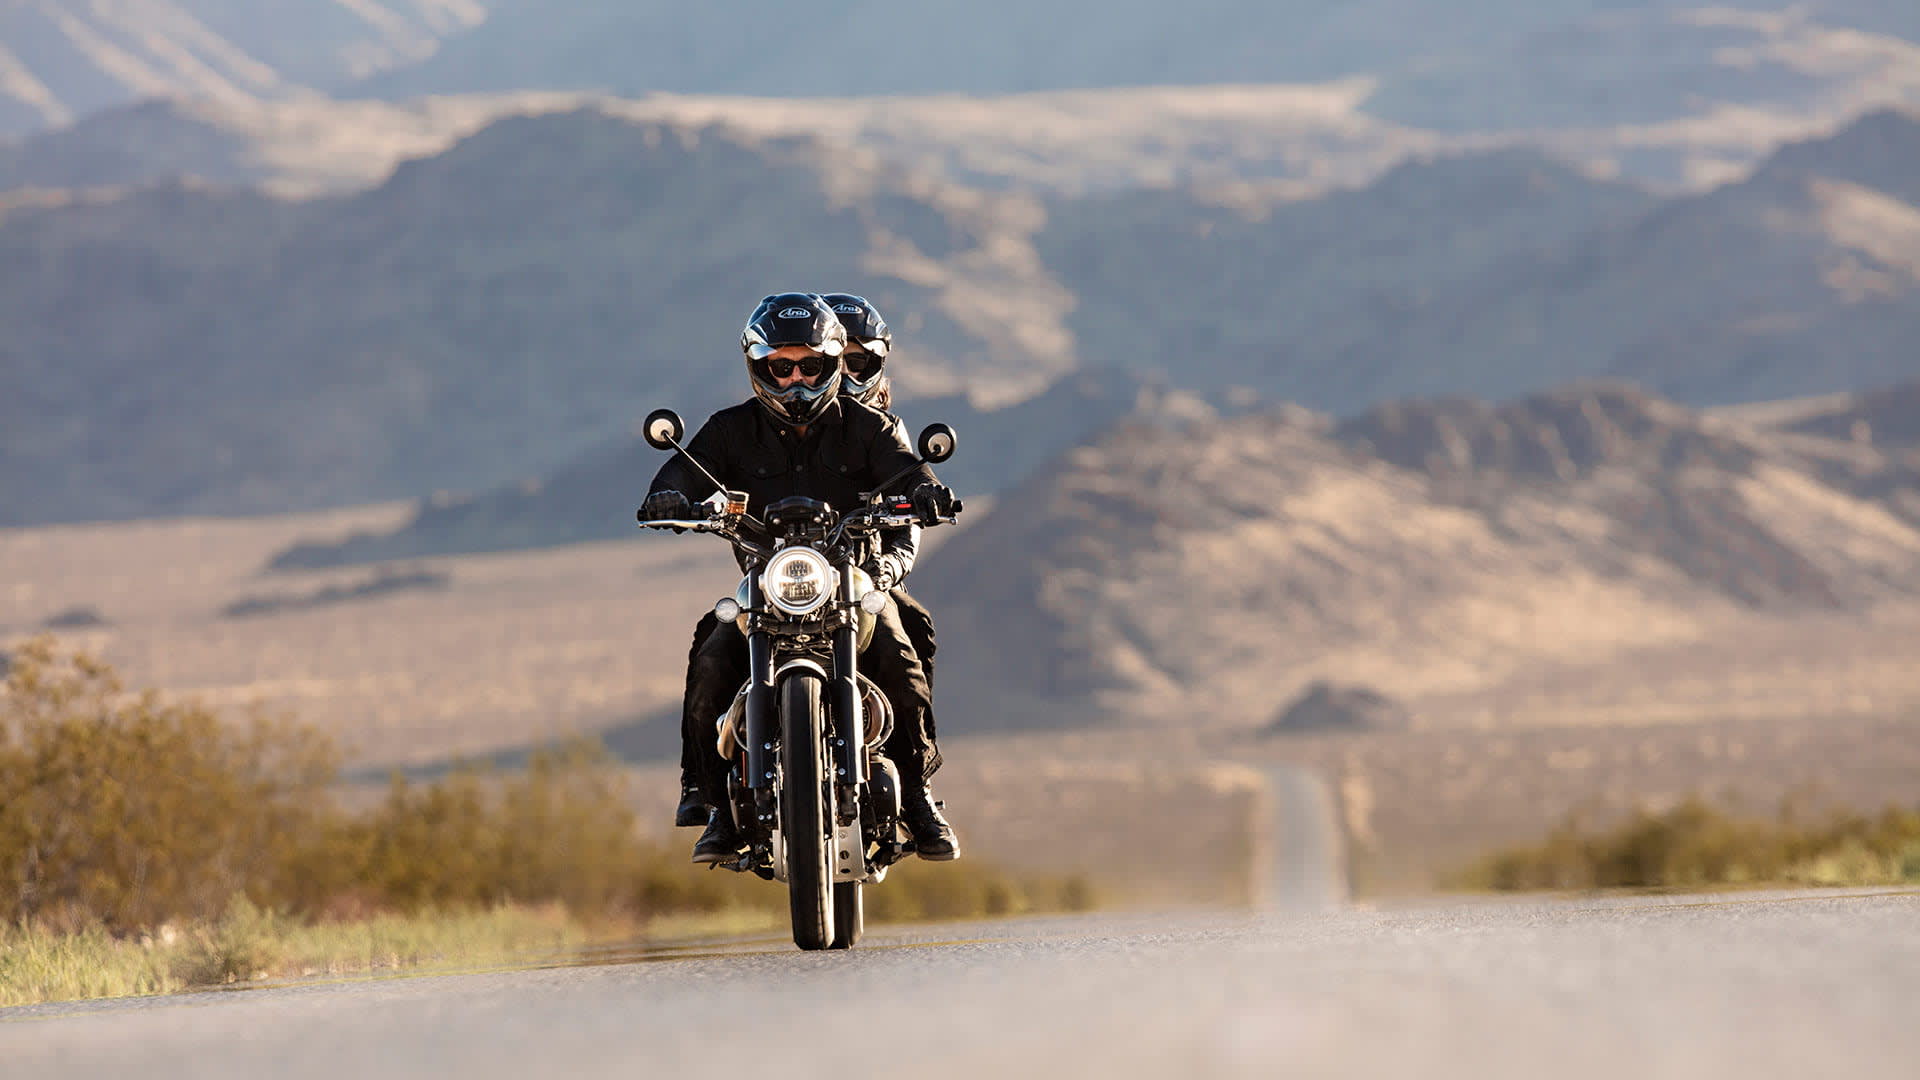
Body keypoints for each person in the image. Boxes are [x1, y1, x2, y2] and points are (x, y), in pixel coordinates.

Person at [643, 292, 960, 864]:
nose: (796, 380)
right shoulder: (730, 429)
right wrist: (668, 496)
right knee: (712, 655)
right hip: (767, 582)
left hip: (849, 578)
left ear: (832, 363)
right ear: (759, 367)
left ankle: (918, 796)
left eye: (810, 366)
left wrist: (925, 492)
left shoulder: (869, 426)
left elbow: (906, 469)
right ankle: (714, 805)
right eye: (781, 367)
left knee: (900, 651)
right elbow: (683, 472)